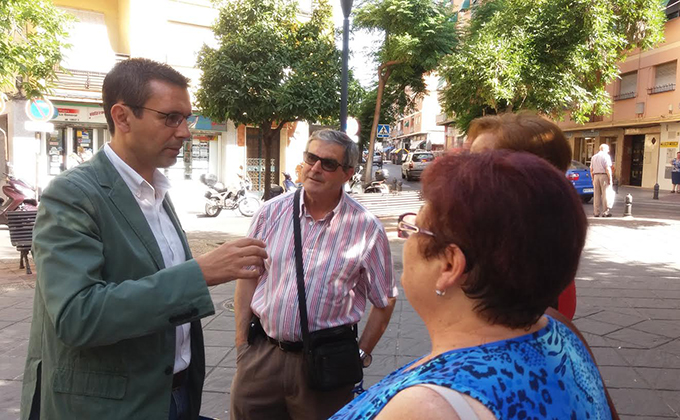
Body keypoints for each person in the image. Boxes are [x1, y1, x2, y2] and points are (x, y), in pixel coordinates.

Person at [20, 58, 267, 420]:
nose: (185, 132)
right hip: (110, 406)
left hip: (176, 394)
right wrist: (200, 274)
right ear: (122, 117)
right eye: (170, 118)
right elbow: (77, 316)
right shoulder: (73, 195)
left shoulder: (157, 192)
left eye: (187, 118)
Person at [331, 151, 613, 420]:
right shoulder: (558, 331)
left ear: (450, 266)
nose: (405, 237)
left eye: (414, 227)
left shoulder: (429, 408)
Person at [231, 129, 398, 420]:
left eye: (328, 163)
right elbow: (248, 277)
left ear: (348, 173)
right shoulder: (270, 213)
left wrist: (361, 355)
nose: (315, 168)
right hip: (262, 358)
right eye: (311, 158)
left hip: (325, 366)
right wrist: (241, 343)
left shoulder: (366, 229)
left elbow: (385, 301)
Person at [465, 113, 577, 319]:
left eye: (484, 161)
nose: (466, 170)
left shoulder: (527, 244)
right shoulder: (484, 223)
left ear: (533, 172)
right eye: (471, 158)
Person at [590, 143, 614, 217]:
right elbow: (607, 168)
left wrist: (593, 178)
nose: (608, 151)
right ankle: (605, 212)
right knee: (605, 194)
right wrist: (610, 179)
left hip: (596, 176)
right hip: (604, 176)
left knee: (596, 195)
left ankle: (596, 212)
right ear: (604, 149)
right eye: (608, 149)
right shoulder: (606, 156)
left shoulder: (594, 157)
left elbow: (591, 169)